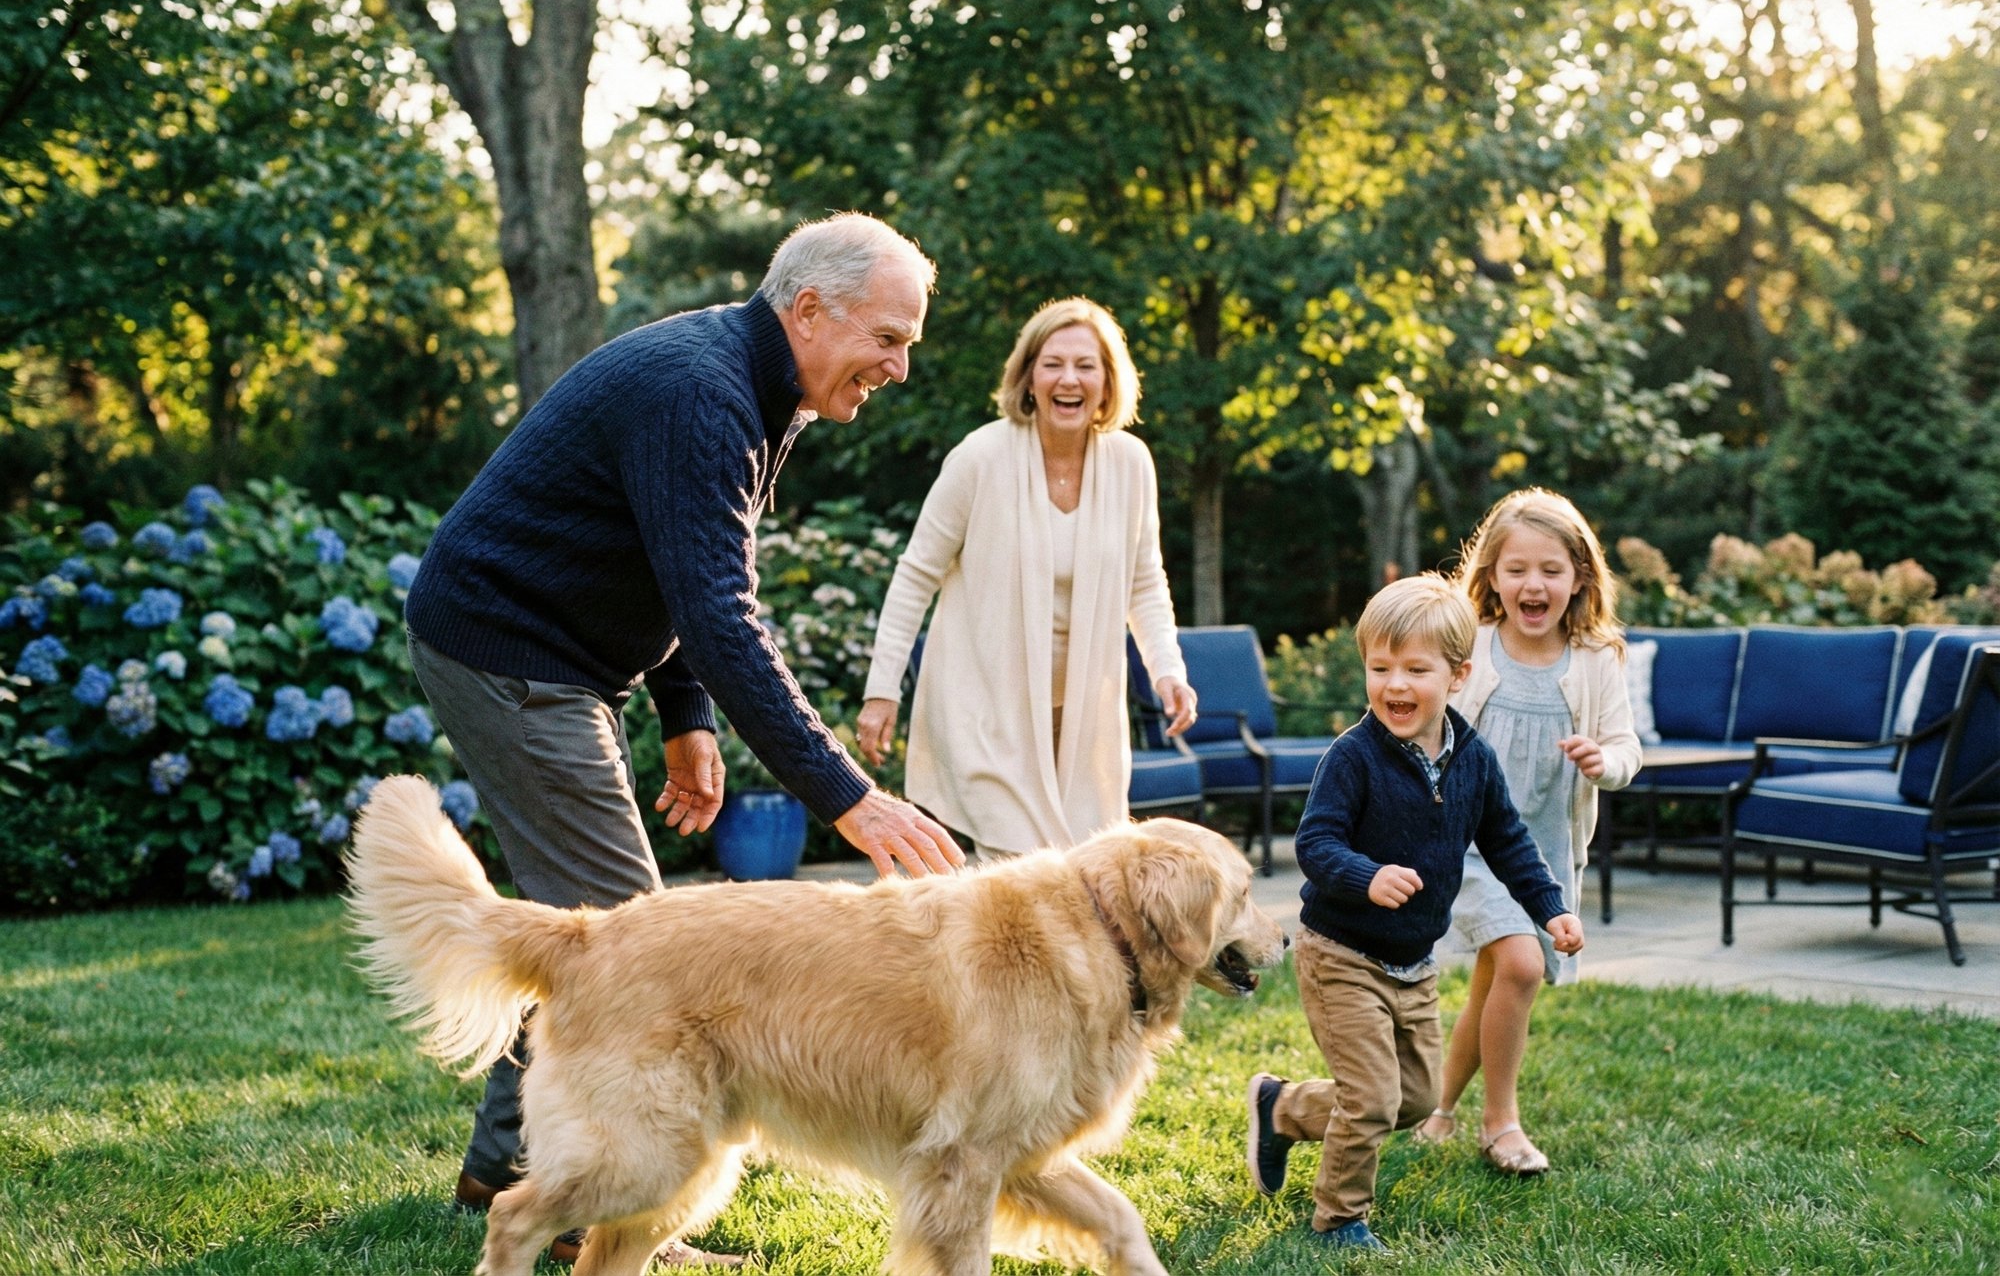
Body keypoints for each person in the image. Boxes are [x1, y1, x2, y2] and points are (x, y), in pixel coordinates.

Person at [401, 212, 965, 1267]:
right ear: (808, 310)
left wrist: (685, 719)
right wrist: (845, 794)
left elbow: (681, 571)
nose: (897, 366)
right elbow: (715, 610)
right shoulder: (701, 393)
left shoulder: (759, 389)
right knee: (628, 947)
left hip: (564, 654)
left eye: (906, 345)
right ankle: (584, 1219)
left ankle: (504, 1168)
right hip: (507, 650)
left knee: (591, 938)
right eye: (888, 339)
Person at [1243, 574, 1583, 1253]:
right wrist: (1366, 876)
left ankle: (1281, 1108)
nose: (1395, 684)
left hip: (1413, 963)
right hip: (1340, 951)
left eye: (1415, 669)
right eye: (1380, 667)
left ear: (1457, 675)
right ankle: (1339, 1219)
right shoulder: (1353, 757)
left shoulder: (1473, 760)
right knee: (1371, 1097)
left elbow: (1509, 841)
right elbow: (1315, 843)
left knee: (1417, 1100)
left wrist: (1550, 909)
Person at [855, 297, 1197, 856]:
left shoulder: (1132, 464)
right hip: (986, 703)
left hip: (1084, 713)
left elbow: (1145, 582)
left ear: (1109, 382)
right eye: (1053, 363)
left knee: (1080, 868)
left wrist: (1168, 671)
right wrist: (881, 690)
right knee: (1014, 863)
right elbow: (916, 575)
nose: (1069, 379)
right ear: (1028, 376)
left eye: (1086, 366)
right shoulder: (979, 458)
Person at [1409, 488, 1642, 1173]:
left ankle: (1440, 1110)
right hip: (1470, 845)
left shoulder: (1598, 656)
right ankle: (1500, 1123)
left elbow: (1626, 743)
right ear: (1492, 576)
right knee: (1519, 964)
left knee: (1493, 982)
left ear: (1579, 579)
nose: (1533, 584)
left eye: (1550, 569)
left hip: (1543, 852)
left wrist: (1607, 761)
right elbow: (1425, 721)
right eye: (1516, 569)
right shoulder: (1471, 645)